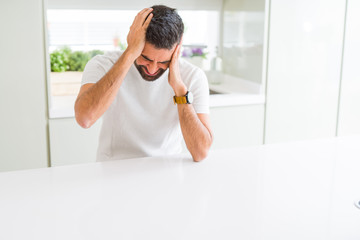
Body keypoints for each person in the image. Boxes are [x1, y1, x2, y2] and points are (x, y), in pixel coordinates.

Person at [74, 5, 213, 162]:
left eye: (163, 62)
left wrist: (180, 91)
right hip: (113, 171)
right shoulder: (102, 65)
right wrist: (129, 55)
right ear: (133, 39)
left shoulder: (192, 76)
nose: (152, 69)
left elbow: (201, 152)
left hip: (166, 171)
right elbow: (85, 119)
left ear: (177, 48)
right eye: (145, 58)